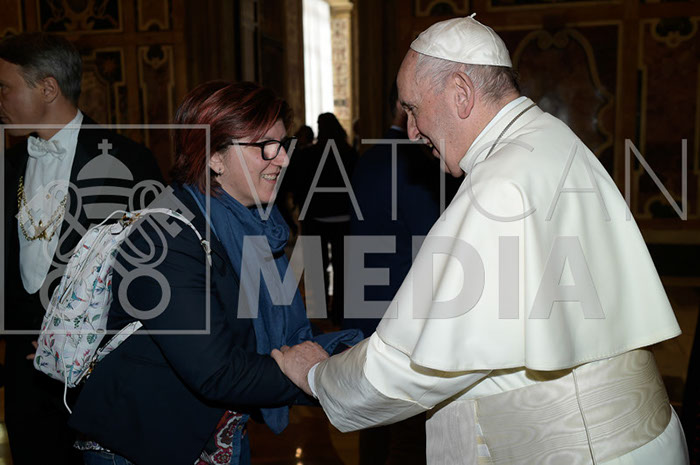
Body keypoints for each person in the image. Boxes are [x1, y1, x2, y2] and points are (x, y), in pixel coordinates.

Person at [271, 16, 689, 464]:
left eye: (413, 108)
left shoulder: (498, 184)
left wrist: (317, 374)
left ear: (461, 93)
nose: (411, 130)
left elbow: (415, 364)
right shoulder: (553, 139)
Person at [68, 80, 359, 465]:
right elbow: (216, 371)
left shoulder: (255, 226)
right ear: (214, 157)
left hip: (216, 438)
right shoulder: (164, 238)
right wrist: (321, 377)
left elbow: (286, 336)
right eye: (265, 146)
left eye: (282, 144)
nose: (283, 159)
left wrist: (357, 356)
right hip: (144, 445)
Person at [0, 32, 162, 465]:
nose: (0, 99)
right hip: (24, 382)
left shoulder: (129, 162)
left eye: (5, 88)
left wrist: (90, 343)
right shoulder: (9, 165)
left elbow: (154, 273)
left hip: (101, 376)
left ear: (47, 88)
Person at [293, 113, 358, 325]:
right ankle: (339, 312)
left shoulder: (309, 154)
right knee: (343, 267)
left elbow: (300, 185)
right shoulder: (349, 153)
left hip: (316, 217)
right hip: (343, 217)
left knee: (317, 266)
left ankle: (321, 313)